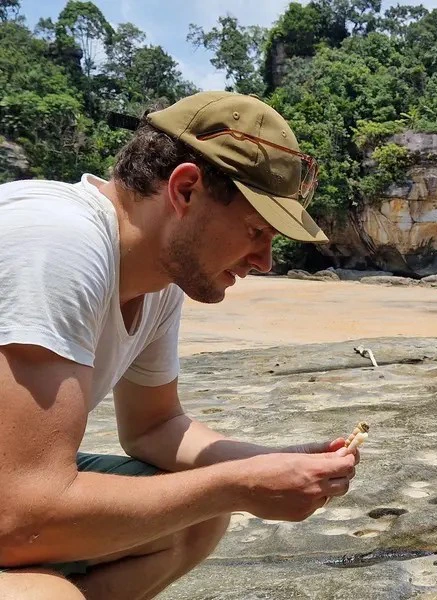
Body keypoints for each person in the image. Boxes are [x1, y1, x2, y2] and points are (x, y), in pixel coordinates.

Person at [0, 91, 360, 599]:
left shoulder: (158, 281)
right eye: (256, 230)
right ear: (185, 189)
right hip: (13, 502)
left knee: (197, 519)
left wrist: (274, 462)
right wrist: (239, 485)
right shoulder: (56, 242)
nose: (265, 261)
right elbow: (18, 517)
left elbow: (154, 427)